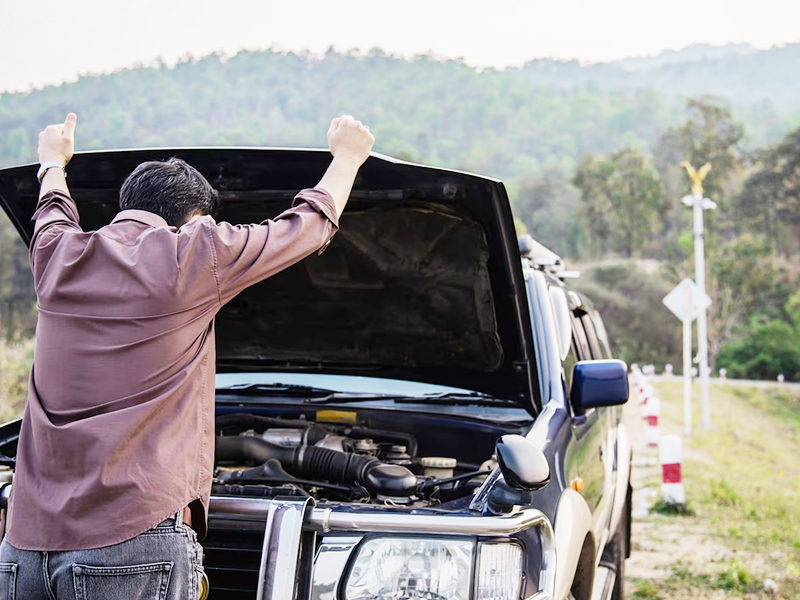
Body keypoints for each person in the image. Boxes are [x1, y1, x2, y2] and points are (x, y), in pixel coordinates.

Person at [0, 112, 374, 599]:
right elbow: (304, 228)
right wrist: (347, 156)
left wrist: (53, 160)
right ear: (195, 220)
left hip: (23, 550)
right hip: (130, 542)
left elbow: (53, 207)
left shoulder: (55, 253)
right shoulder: (193, 252)